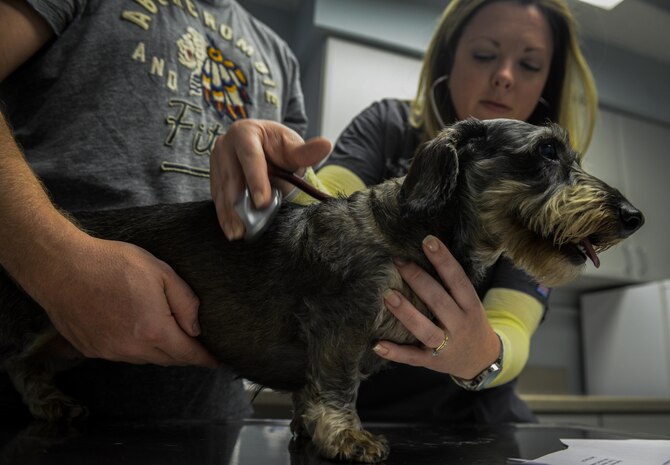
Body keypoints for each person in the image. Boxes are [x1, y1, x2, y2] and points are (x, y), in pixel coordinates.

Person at [212, 0, 597, 423]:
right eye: (484, 54)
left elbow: (512, 322)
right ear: (448, 58)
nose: (504, 76)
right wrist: (290, 171)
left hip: (478, 422)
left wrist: (484, 357)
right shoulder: (386, 125)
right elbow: (331, 203)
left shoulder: (544, 190)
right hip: (364, 412)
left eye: (529, 65)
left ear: (546, 82)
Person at [0, 0, 330, 420]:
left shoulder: (279, 54)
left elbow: (278, 211)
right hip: (27, 374)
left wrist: (287, 180)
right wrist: (56, 267)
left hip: (207, 412)